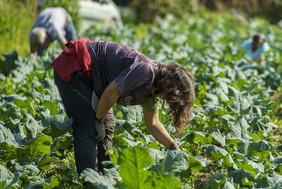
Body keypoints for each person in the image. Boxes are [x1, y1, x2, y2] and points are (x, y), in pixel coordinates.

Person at [51, 39, 195, 175]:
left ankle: (105, 176)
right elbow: (111, 92)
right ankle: (90, 184)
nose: (168, 100)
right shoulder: (147, 71)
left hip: (93, 80)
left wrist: (173, 146)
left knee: (108, 124)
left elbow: (153, 123)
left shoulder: (155, 92)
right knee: (88, 127)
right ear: (168, 85)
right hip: (76, 69)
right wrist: (98, 121)